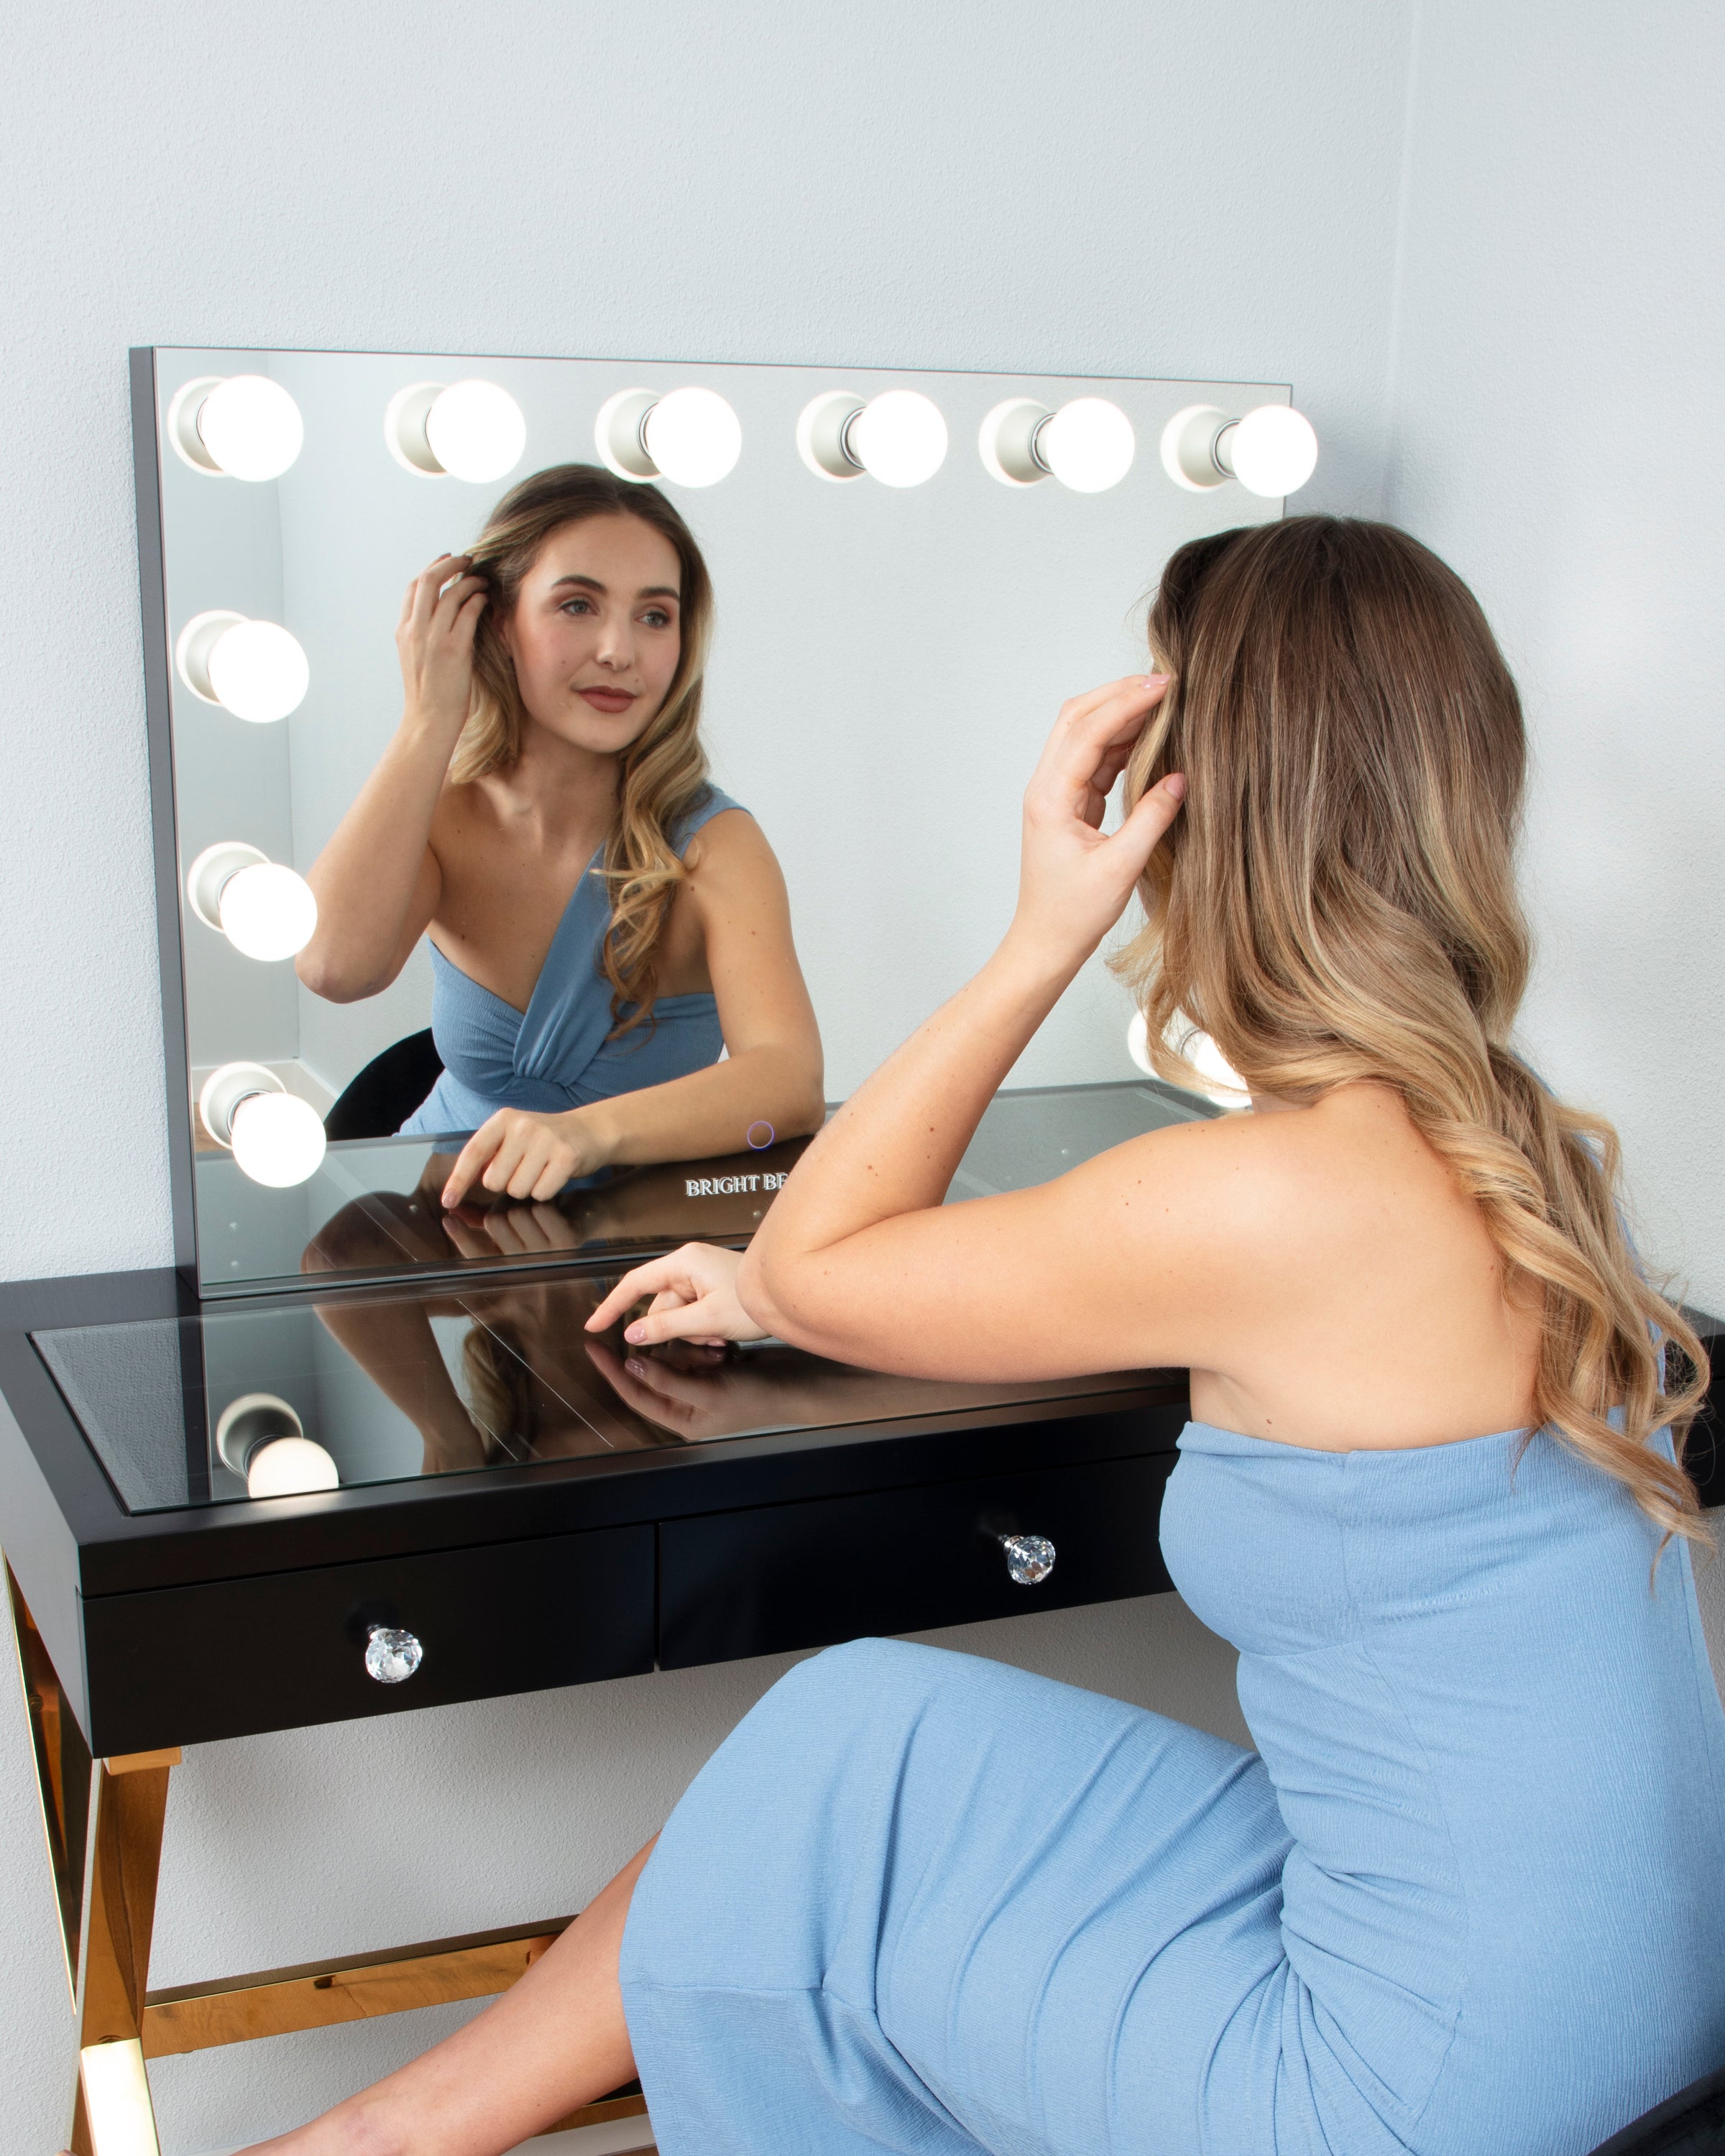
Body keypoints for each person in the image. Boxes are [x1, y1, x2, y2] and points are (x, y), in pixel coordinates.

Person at [242, 517, 1725, 2156]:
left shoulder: (1265, 1193)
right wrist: (789, 1281)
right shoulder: (1520, 1154)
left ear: (1189, 815)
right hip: (1630, 2007)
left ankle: (381, 2135)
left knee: (829, 1802)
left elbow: (817, 1261)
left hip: (1419, 2090)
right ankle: (394, 2134)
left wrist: (1040, 929)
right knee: (861, 1730)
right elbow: (1212, 1328)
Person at [295, 464, 824, 1208]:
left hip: (634, 1246)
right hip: (445, 1221)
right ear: (497, 622)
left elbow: (790, 1081)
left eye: (654, 616)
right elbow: (330, 967)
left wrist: (584, 1134)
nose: (619, 651)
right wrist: (428, 720)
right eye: (578, 605)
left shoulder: (715, 845)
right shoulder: (443, 818)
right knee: (330, 1269)